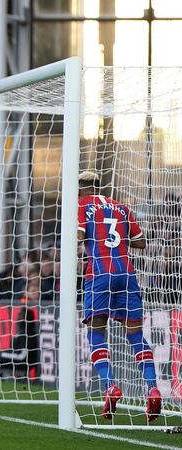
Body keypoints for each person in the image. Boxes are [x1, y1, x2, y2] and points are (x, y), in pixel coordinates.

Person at [77, 170, 161, 421]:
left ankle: (110, 386)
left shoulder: (81, 204)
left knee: (96, 332)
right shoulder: (121, 207)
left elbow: (79, 235)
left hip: (99, 274)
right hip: (127, 274)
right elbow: (142, 242)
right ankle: (153, 388)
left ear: (80, 188)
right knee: (135, 335)